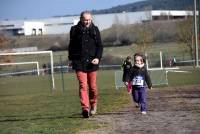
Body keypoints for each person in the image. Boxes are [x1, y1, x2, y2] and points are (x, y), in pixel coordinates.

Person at [68, 11, 103, 118]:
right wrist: (70, 59)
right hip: (79, 62)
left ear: (91, 19)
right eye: (85, 20)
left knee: (92, 87)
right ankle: (85, 108)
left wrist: (97, 58)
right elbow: (71, 46)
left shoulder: (95, 30)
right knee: (83, 85)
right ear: (81, 19)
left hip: (92, 63)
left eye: (89, 19)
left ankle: (93, 104)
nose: (87, 21)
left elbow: (100, 46)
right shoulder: (74, 30)